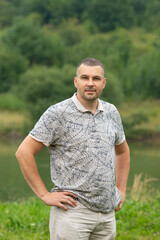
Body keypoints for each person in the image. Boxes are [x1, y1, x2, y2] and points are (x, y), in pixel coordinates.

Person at [16, 58, 130, 240]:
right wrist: (44, 195)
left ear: (104, 83)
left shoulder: (111, 112)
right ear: (76, 81)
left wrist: (121, 189)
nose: (90, 83)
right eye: (85, 78)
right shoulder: (58, 113)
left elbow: (122, 151)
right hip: (72, 214)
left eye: (96, 78)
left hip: (107, 215)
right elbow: (23, 152)